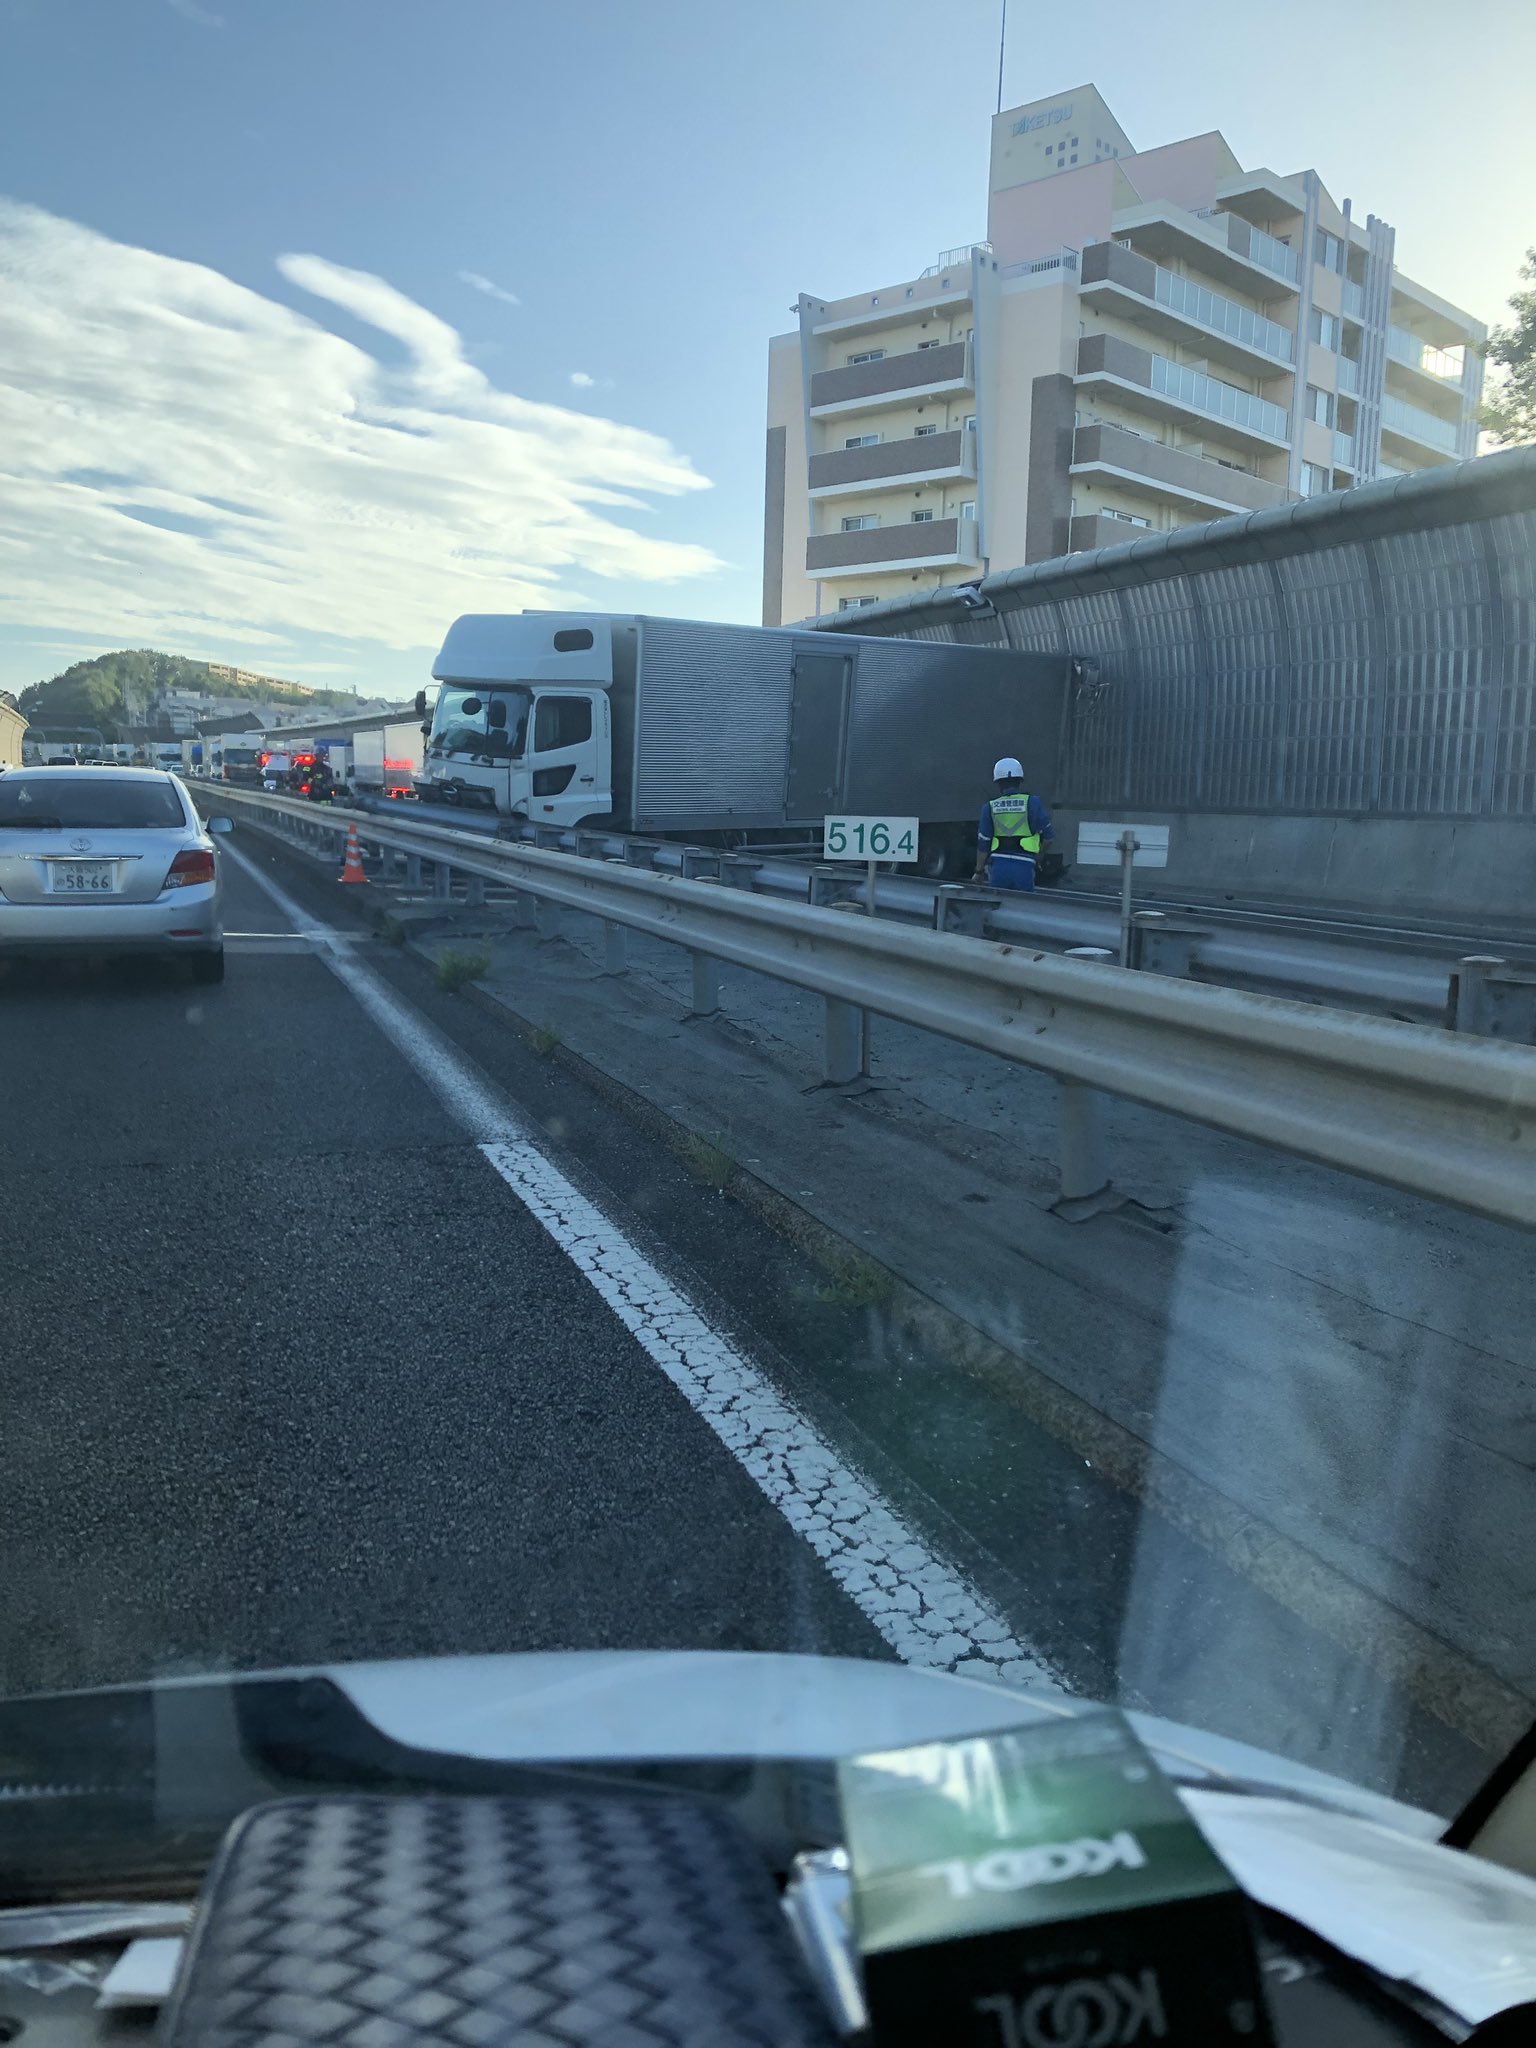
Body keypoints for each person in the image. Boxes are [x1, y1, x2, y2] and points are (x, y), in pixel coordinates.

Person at [973, 757, 1053, 892]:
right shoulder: (1033, 803)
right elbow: (1049, 837)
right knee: (1023, 908)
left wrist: (979, 871)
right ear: (1020, 781)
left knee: (998, 908)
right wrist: (1039, 855)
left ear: (998, 782)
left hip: (999, 866)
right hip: (1025, 865)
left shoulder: (990, 807)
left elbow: (983, 844)